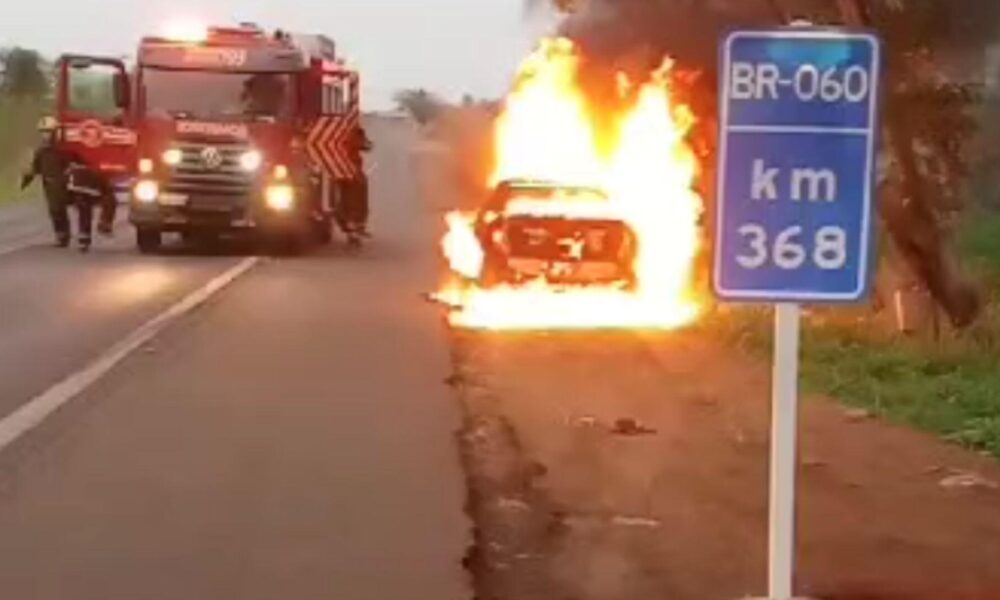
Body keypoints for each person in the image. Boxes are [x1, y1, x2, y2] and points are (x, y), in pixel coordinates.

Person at [21, 118, 71, 247]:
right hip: (48, 184)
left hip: (62, 183)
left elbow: (71, 165)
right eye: (43, 132)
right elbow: (34, 169)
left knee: (59, 208)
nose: (45, 135)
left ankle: (64, 234)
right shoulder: (41, 151)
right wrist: (25, 181)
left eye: (48, 132)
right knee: (54, 210)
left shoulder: (63, 150)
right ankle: (61, 234)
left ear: (55, 133)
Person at [337, 125, 373, 244]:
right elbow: (367, 146)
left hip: (337, 172)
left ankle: (352, 228)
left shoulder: (332, 129)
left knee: (345, 199)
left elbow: (367, 146)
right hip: (352, 172)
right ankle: (355, 228)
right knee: (357, 199)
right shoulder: (352, 130)